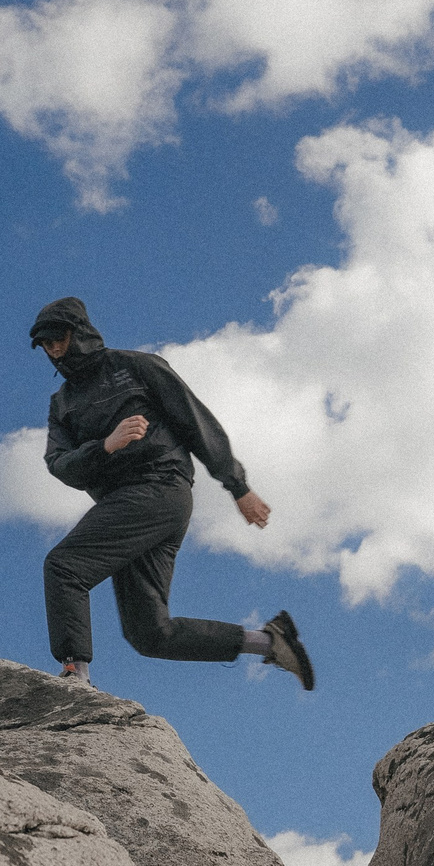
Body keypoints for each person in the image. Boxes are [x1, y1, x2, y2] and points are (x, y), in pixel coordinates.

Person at [27, 296, 314, 691]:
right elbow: (59, 464)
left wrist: (238, 486)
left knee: (64, 567)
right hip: (125, 505)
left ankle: (75, 675)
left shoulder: (137, 367)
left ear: (79, 333)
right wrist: (105, 446)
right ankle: (270, 641)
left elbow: (196, 421)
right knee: (149, 634)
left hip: (161, 485)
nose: (54, 349)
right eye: (45, 344)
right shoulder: (62, 404)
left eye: (58, 338)